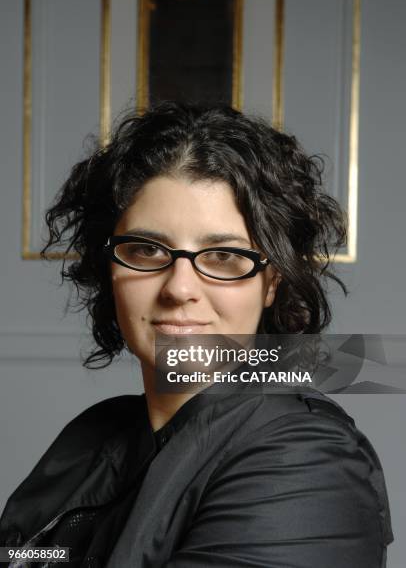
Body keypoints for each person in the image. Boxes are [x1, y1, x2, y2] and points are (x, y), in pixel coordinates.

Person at [0, 102, 393, 567]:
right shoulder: (92, 435)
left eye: (224, 256)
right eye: (146, 249)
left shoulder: (308, 462)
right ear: (108, 269)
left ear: (272, 283)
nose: (179, 288)